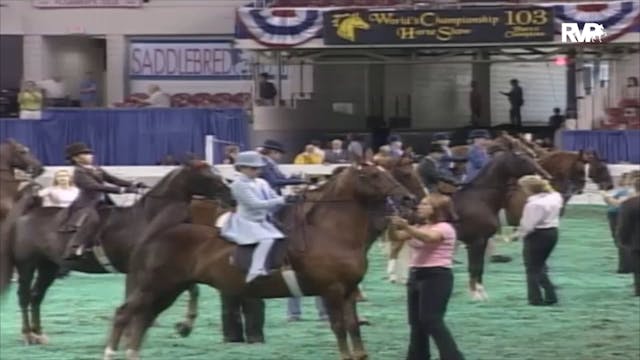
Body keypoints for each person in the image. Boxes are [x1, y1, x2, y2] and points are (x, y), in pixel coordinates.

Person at [388, 193, 465, 360]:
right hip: (416, 274)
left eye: (425, 204)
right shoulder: (421, 226)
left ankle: (452, 356)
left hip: (436, 276)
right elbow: (396, 237)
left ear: (437, 209)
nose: (419, 207)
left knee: (432, 319)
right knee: (415, 322)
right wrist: (391, 224)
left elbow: (429, 239)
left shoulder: (445, 227)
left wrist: (407, 227)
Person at [221, 151, 300, 282]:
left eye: (259, 168)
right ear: (242, 168)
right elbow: (255, 204)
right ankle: (255, 270)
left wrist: (290, 199)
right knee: (267, 240)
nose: (257, 170)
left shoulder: (262, 182)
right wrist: (282, 200)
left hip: (263, 220)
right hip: (247, 221)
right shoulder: (238, 185)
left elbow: (273, 198)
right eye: (253, 168)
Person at [61, 142, 143, 259]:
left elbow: (113, 179)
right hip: (86, 204)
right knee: (92, 220)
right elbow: (95, 186)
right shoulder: (78, 172)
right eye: (85, 154)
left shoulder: (96, 169)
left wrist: (134, 184)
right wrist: (122, 190)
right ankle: (75, 247)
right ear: (76, 158)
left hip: (102, 202)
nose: (90, 156)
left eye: (89, 153)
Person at [516, 175, 563, 306]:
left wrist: (518, 235)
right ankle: (550, 294)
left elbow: (528, 225)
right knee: (540, 265)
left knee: (531, 268)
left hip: (537, 235)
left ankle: (535, 298)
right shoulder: (555, 196)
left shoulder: (533, 204)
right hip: (552, 232)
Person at [601, 172, 635, 273]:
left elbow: (618, 204)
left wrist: (605, 196)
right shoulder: (619, 190)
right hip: (614, 214)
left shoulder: (629, 191)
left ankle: (625, 267)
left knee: (621, 240)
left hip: (618, 215)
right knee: (619, 239)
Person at [616, 176, 640, 296]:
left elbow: (624, 225)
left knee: (638, 268)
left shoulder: (628, 204)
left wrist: (622, 240)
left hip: (636, 242)